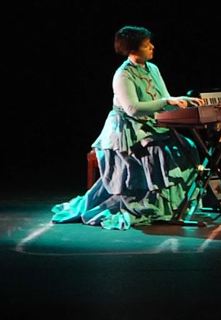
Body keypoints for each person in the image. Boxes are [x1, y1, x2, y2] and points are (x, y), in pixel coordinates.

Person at [51, 25, 206, 229]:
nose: (152, 47)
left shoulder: (153, 69)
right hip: (127, 131)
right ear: (132, 49)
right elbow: (133, 109)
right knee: (158, 152)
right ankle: (151, 204)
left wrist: (182, 101)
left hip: (150, 125)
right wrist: (167, 101)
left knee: (187, 147)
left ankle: (175, 205)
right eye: (146, 45)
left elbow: (164, 99)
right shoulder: (123, 75)